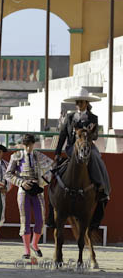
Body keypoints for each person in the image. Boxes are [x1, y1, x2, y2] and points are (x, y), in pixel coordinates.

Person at [54, 88, 111, 231]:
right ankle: (52, 195)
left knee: (97, 158)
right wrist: (57, 153)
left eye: (81, 102)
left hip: (88, 146)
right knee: (54, 170)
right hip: (72, 148)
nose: (79, 104)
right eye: (77, 102)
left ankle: (102, 187)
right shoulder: (69, 117)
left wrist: (91, 131)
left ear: (86, 103)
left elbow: (96, 136)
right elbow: (63, 135)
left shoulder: (93, 118)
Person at [6, 133, 53, 260]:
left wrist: (43, 181)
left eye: (30, 145)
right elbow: (8, 174)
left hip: (37, 191)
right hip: (23, 191)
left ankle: (34, 244)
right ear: (23, 145)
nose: (27, 148)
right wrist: (21, 182)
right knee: (25, 220)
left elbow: (52, 167)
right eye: (25, 145)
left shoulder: (39, 155)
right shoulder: (16, 156)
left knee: (40, 220)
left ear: (33, 144)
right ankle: (27, 250)